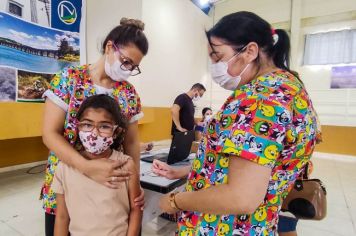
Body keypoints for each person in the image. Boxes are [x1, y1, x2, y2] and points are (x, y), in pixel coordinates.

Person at [153, 11, 320, 235]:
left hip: (226, 227)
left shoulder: (260, 99)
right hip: (257, 224)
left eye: (217, 56)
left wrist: (175, 201)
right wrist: (185, 172)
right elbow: (245, 165)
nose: (213, 66)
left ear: (250, 51)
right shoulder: (288, 86)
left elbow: (241, 197)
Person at [40, 17, 148, 236]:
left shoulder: (128, 93)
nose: (128, 70)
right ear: (110, 46)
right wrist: (85, 166)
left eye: (134, 67)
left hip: (111, 184)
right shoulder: (69, 79)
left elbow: (132, 142)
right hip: (69, 175)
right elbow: (50, 134)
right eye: (126, 62)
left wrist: (135, 180)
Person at [52, 95, 141, 236]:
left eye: (104, 126)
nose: (94, 133)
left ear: (116, 131)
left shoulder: (126, 165)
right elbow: (62, 216)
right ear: (78, 126)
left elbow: (136, 209)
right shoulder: (64, 168)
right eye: (87, 124)